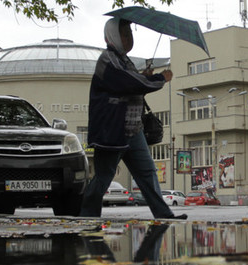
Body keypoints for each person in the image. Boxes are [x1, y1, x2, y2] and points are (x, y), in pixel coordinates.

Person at [78, 18, 185, 220]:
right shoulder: (107, 60)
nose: (129, 38)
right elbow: (128, 83)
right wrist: (159, 78)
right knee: (103, 177)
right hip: (112, 131)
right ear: (113, 36)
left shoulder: (123, 60)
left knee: (147, 173)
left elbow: (132, 84)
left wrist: (143, 75)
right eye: (125, 34)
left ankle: (164, 214)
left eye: (130, 33)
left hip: (133, 130)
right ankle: (87, 216)